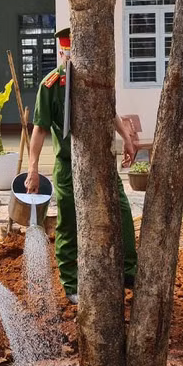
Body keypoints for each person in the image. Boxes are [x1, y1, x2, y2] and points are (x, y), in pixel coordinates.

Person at [25, 27, 138, 305]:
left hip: (101, 160)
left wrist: (127, 139)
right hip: (67, 164)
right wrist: (33, 168)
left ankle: (129, 271)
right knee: (68, 221)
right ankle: (71, 281)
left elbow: (111, 113)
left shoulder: (98, 77)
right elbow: (39, 129)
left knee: (121, 211)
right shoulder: (51, 86)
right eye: (70, 53)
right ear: (64, 54)